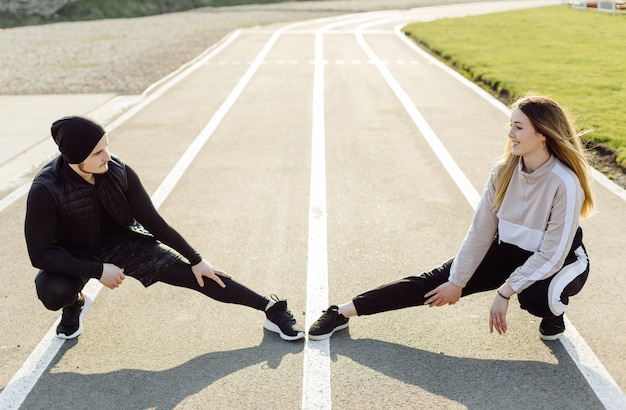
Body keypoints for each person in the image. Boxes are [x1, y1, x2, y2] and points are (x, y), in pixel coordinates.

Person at [308, 95, 594, 341]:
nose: (510, 134)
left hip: (563, 260)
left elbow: (551, 255)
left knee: (535, 297)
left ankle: (555, 312)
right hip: (510, 253)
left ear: (543, 134)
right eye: (511, 126)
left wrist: (505, 292)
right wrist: (457, 281)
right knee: (434, 282)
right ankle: (342, 311)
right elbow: (481, 232)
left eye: (518, 128)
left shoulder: (564, 182)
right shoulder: (503, 172)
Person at [25, 115, 304, 341]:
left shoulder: (117, 170)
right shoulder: (46, 190)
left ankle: (270, 309)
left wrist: (196, 259)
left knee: (199, 276)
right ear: (75, 157)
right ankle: (74, 303)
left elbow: (153, 222)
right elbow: (40, 254)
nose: (107, 156)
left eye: (107, 147)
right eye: (98, 153)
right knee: (53, 292)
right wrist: (97, 271)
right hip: (74, 254)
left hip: (124, 242)